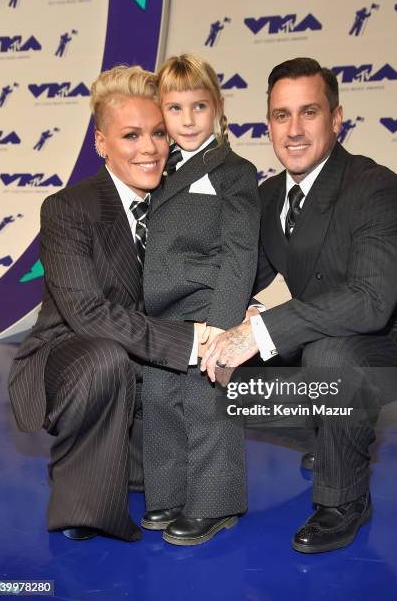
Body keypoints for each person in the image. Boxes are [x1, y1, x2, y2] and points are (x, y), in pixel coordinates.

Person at [202, 57, 397, 553]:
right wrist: (210, 327)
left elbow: (370, 304)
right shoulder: (267, 198)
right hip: (317, 338)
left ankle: (343, 500)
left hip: (387, 346)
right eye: (281, 116)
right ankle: (331, 430)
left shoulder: (377, 188)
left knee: (330, 359)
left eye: (309, 112)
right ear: (268, 125)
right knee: (208, 371)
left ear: (336, 118)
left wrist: (258, 332)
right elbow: (240, 278)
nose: (295, 129)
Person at [8, 65, 205, 543]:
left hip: (145, 364)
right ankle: (85, 502)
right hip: (71, 357)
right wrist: (194, 343)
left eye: (159, 133)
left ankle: (330, 435)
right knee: (105, 357)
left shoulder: (179, 201)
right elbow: (89, 315)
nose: (150, 148)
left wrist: (238, 316)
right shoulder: (68, 209)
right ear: (101, 143)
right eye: (131, 135)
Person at [140, 54, 260, 545]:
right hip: (158, 313)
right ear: (160, 114)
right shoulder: (154, 169)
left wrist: (226, 324)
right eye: (174, 108)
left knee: (206, 401)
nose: (187, 120)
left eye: (198, 106)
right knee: (159, 400)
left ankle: (216, 503)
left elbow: (239, 253)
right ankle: (167, 495)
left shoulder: (235, 171)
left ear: (218, 109)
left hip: (207, 308)